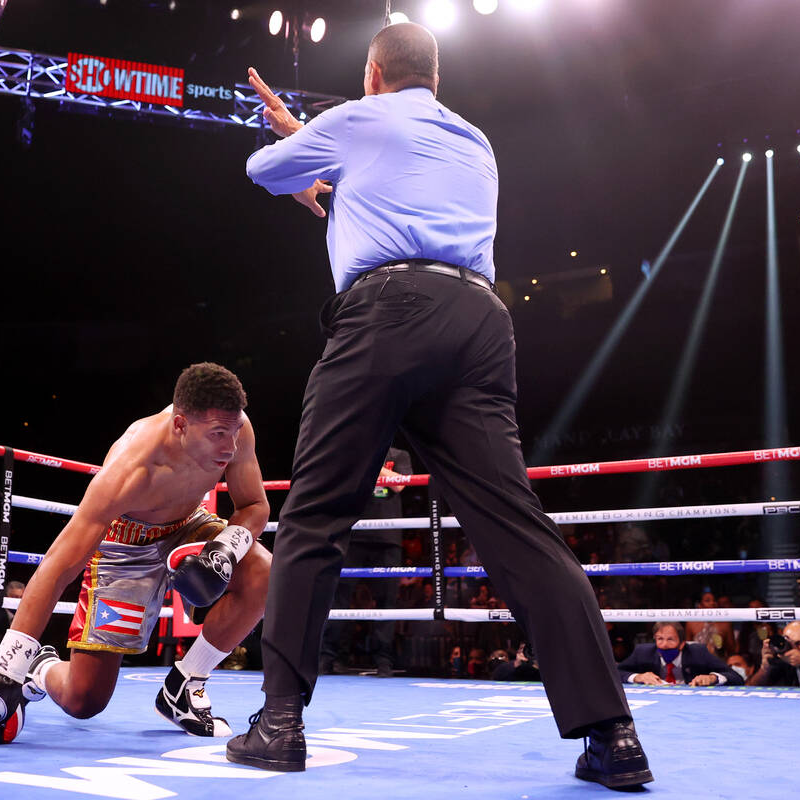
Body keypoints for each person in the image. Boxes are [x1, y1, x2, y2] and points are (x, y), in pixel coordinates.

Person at [229, 22, 651, 789]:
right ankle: (614, 735)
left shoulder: (362, 118)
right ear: (433, 75)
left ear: (372, 73)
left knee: (318, 517)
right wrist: (322, 158)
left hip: (386, 316)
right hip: (480, 324)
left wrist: (299, 136)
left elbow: (263, 170)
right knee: (518, 528)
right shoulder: (473, 141)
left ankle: (280, 723)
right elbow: (374, 207)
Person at [0, 363, 271, 744]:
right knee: (84, 699)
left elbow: (254, 506)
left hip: (189, 524)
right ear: (181, 424)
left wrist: (224, 550)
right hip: (124, 546)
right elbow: (56, 568)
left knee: (264, 574)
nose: (231, 447)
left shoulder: (234, 426)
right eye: (219, 434)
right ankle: (41, 670)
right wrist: (7, 668)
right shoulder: (131, 468)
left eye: (234, 432)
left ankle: (185, 686)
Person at [319, 447, 411, 678]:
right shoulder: (353, 451)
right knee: (340, 599)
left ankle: (384, 662)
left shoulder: (399, 456)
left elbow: (399, 484)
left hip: (388, 537)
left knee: (386, 601)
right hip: (354, 534)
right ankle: (330, 658)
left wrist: (372, 460)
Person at [615, 622, 744, 687]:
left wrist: (713, 678)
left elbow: (736, 677)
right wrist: (638, 677)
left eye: (670, 639)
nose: (664, 645)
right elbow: (614, 673)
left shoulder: (698, 652)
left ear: (682, 644)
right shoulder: (643, 652)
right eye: (660, 639)